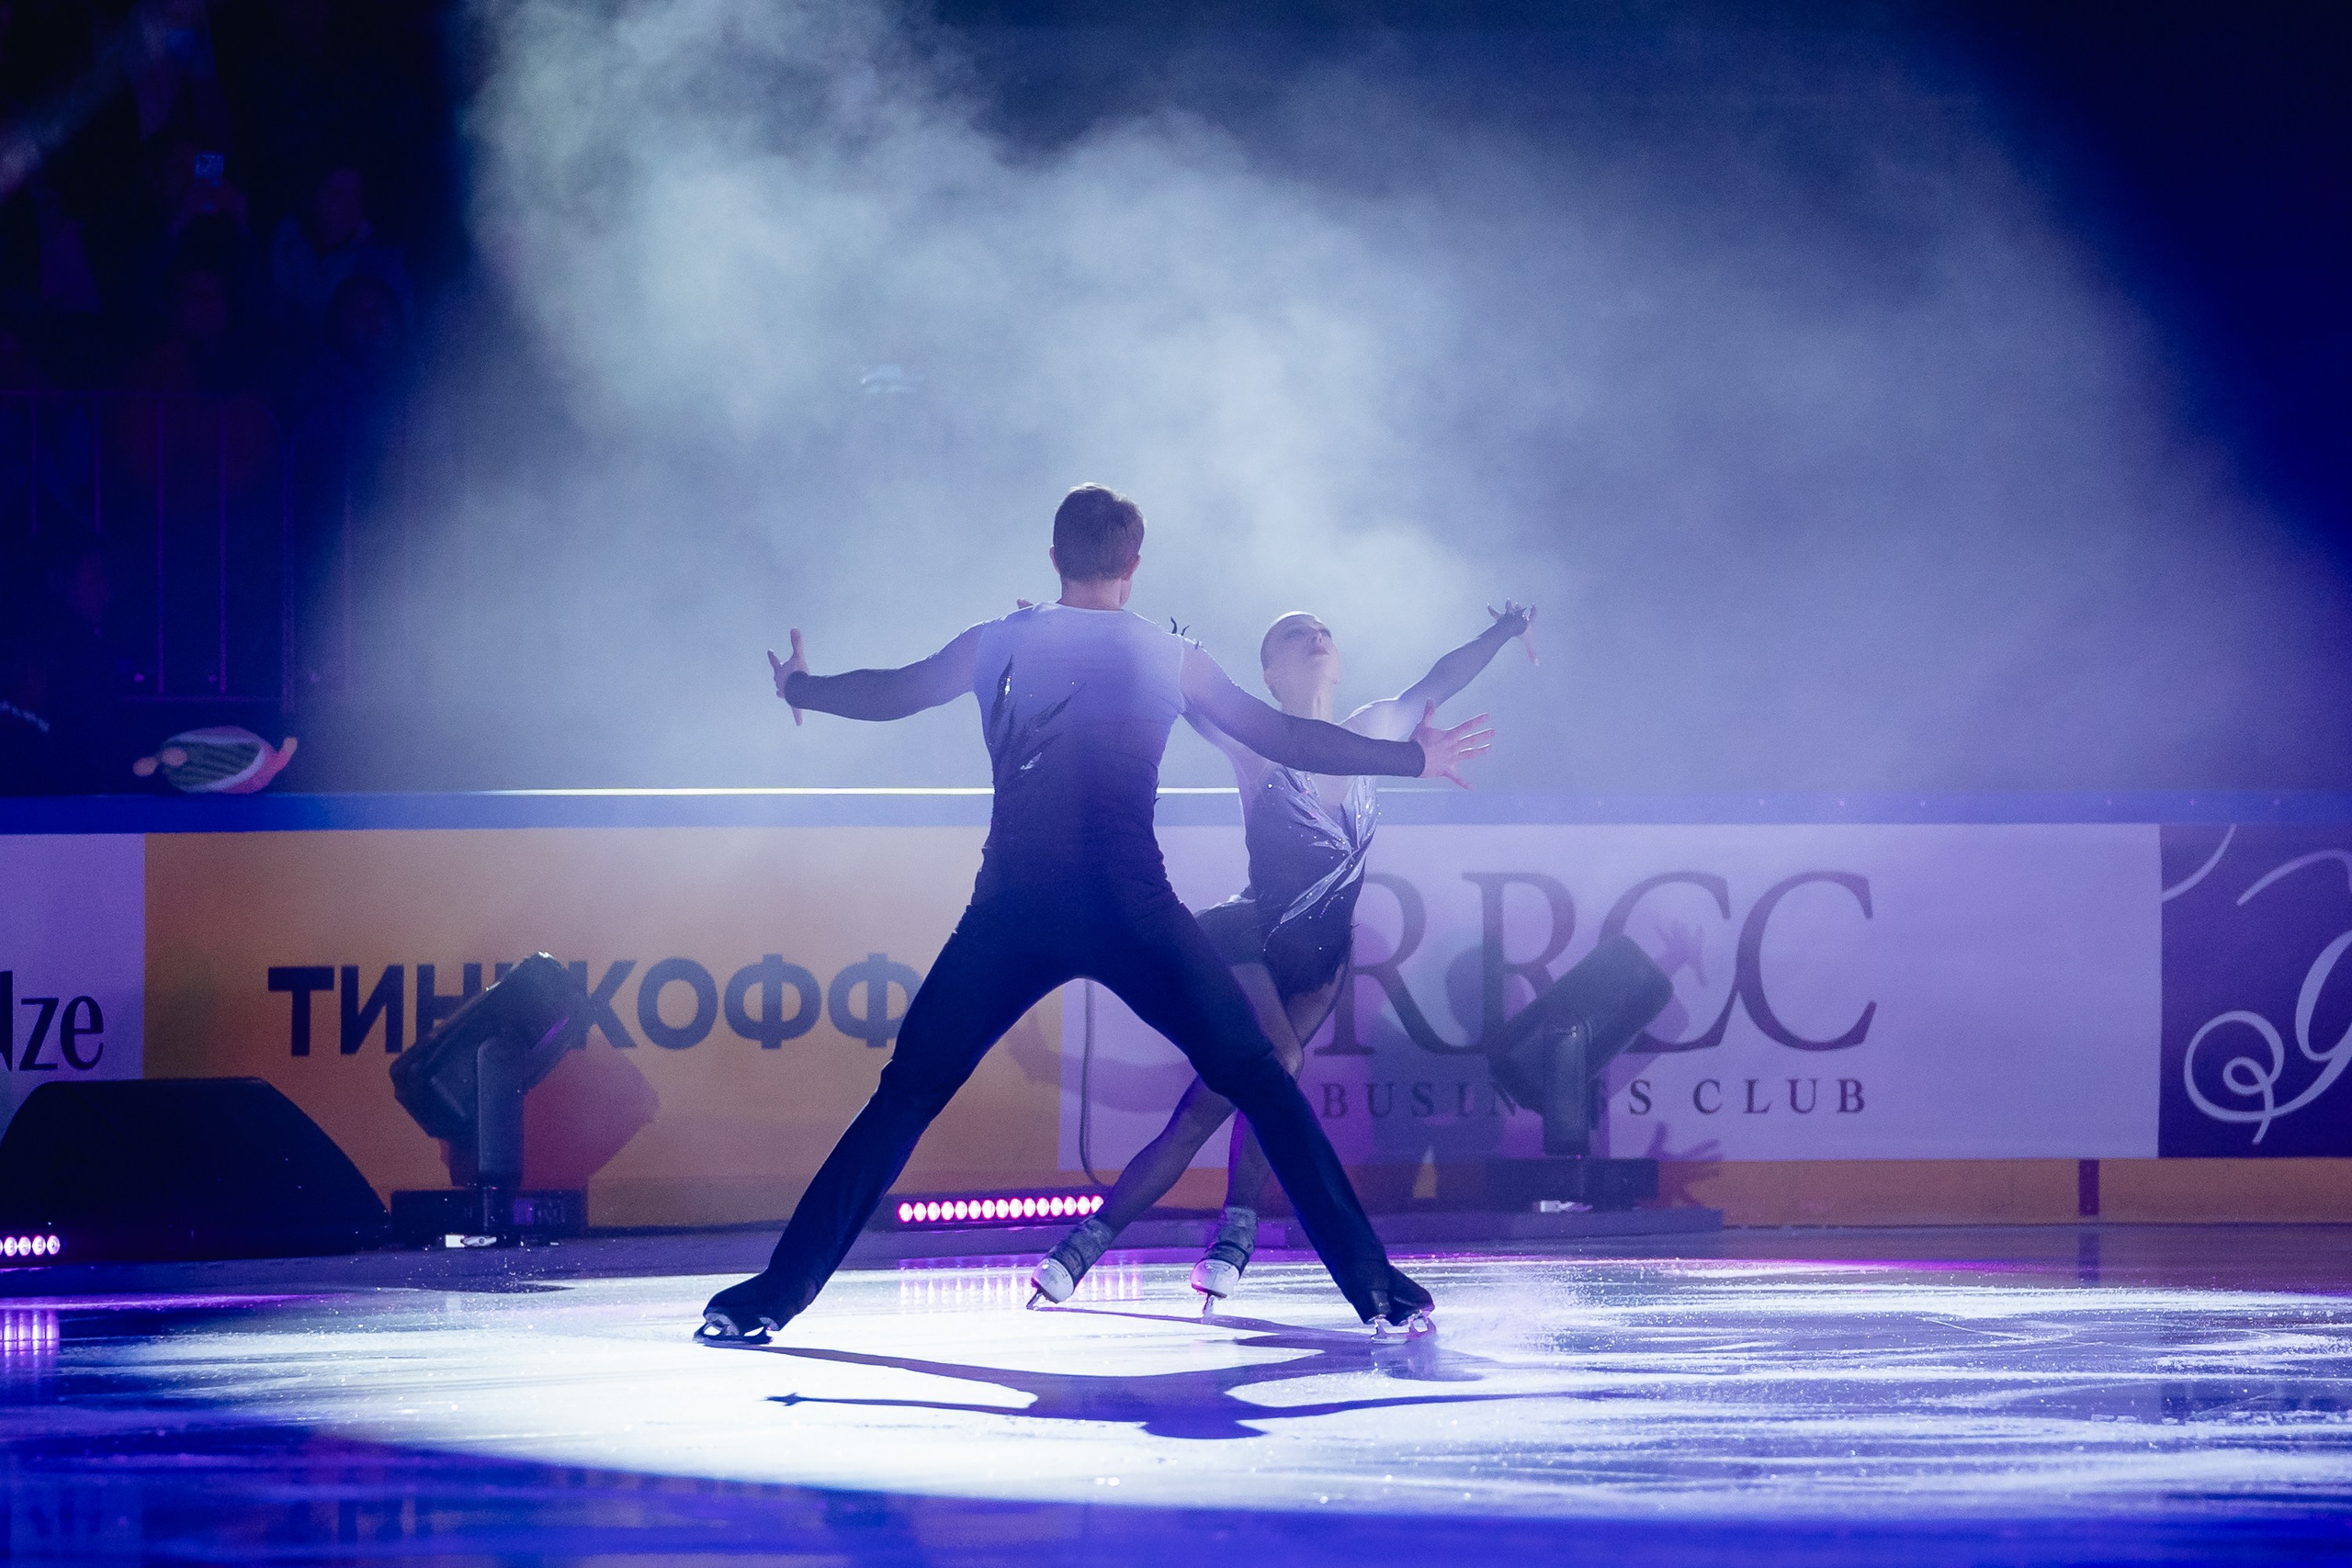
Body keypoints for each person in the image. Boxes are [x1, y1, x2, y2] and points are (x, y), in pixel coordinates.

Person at [698, 485, 1493, 1342]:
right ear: (1134, 564)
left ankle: (769, 1297)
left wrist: (802, 685)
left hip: (1011, 913)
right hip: (1130, 912)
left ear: (1054, 557)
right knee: (1262, 1082)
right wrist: (1412, 759)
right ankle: (1377, 1290)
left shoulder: (999, 639)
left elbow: (894, 693)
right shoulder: (1167, 655)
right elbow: (1288, 738)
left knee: (905, 1095)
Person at [1029, 602, 1536, 1312]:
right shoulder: (1256, 741)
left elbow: (1441, 678)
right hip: (1248, 940)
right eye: (1296, 634)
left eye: (1323, 629)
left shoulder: (1375, 729)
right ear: (1271, 672)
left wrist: (1505, 629)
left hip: (1320, 964)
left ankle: (1084, 1245)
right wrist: (1098, 638)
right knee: (1281, 1061)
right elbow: (1178, 690)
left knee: (1208, 1107)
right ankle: (1234, 1232)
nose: (1316, 635)